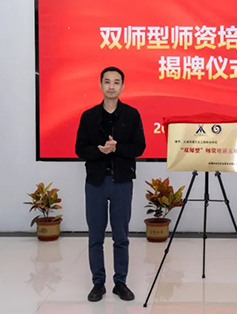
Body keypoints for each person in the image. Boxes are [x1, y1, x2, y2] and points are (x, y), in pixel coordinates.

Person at [76, 66, 146, 302]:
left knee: (121, 236)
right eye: (107, 82)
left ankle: (120, 283)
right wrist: (99, 150)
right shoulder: (88, 116)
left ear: (122, 86)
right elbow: (80, 149)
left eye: (116, 82)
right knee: (95, 236)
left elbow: (139, 147)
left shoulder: (132, 115)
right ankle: (98, 283)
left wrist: (117, 148)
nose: (112, 86)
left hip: (121, 182)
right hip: (96, 182)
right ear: (100, 85)